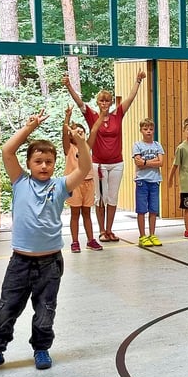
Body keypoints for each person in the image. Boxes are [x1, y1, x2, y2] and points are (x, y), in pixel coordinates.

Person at [0, 109, 93, 375]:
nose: (44, 166)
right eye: (38, 161)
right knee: (6, 308)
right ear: (30, 163)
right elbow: (7, 151)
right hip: (20, 261)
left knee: (45, 309)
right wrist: (29, 127)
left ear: (55, 163)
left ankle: (41, 348)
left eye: (49, 161)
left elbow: (85, 167)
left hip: (50, 263)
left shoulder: (60, 185)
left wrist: (78, 140)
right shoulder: (20, 181)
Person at [62, 70, 146, 243]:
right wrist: (69, 85)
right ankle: (101, 230)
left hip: (117, 163)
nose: (105, 103)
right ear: (98, 102)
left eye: (107, 100)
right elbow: (79, 102)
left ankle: (109, 230)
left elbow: (130, 98)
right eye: (102, 100)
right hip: (98, 164)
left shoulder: (118, 114)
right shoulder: (92, 116)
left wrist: (138, 80)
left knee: (112, 197)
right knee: (101, 198)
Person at [61, 105, 102, 252]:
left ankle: (91, 240)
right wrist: (67, 117)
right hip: (75, 185)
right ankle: (75, 241)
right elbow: (65, 133)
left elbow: (95, 129)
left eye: (81, 130)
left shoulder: (87, 146)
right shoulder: (69, 148)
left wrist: (102, 115)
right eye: (75, 131)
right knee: (75, 213)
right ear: (71, 135)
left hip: (89, 183)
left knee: (87, 213)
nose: (79, 132)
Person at [131, 118, 165, 247]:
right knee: (141, 210)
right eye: (145, 129)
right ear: (141, 130)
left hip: (155, 181)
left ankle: (152, 234)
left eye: (151, 129)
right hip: (142, 181)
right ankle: (142, 236)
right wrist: (152, 161)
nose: (148, 131)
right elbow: (138, 163)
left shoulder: (157, 145)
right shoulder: (137, 145)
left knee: (153, 209)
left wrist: (145, 162)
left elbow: (161, 163)